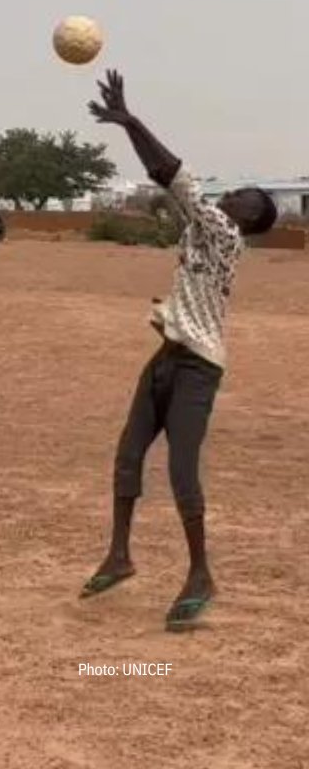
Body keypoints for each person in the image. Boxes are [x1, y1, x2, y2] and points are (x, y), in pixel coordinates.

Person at [81, 70, 277, 630]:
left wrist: (129, 120)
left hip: (197, 366)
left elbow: (168, 169)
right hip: (168, 355)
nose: (231, 194)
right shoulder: (201, 226)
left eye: (242, 195)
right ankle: (119, 555)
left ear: (248, 217)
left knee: (183, 473)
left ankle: (200, 574)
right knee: (127, 456)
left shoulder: (222, 231)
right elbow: (165, 179)